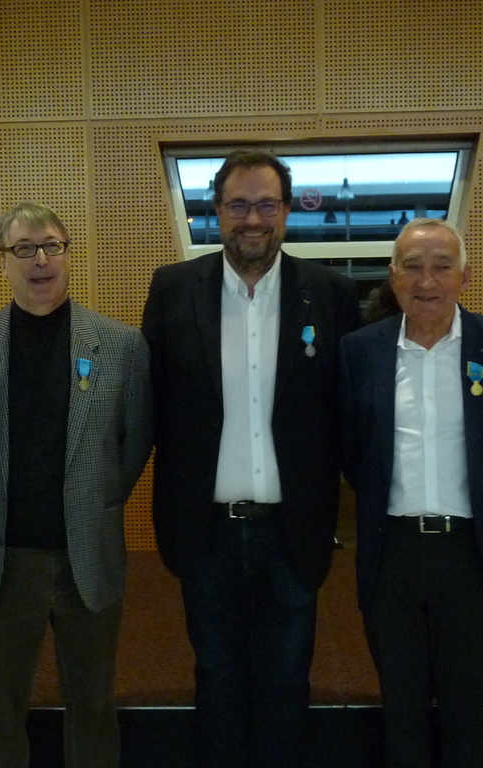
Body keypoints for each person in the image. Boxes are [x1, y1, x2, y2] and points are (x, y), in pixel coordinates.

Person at [142, 149, 361, 767]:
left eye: (267, 204)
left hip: (293, 529)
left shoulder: (331, 294)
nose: (253, 219)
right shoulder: (173, 289)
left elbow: (346, 411)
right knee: (215, 674)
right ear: (216, 211)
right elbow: (152, 401)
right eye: (238, 205)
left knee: (287, 677)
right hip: (205, 528)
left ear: (287, 212)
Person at [0, 202, 152, 768]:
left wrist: (97, 500)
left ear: (67, 255)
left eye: (51, 246)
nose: (40, 260)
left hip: (88, 552)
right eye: (24, 249)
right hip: (3, 558)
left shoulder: (122, 346)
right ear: (3, 262)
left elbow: (133, 443)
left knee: (93, 705)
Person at [339, 218, 483, 768]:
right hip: (392, 553)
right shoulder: (360, 351)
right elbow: (353, 450)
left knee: (466, 709)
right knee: (400, 707)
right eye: (413, 267)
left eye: (441, 267)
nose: (426, 281)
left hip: (471, 553)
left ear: (464, 277)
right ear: (393, 276)